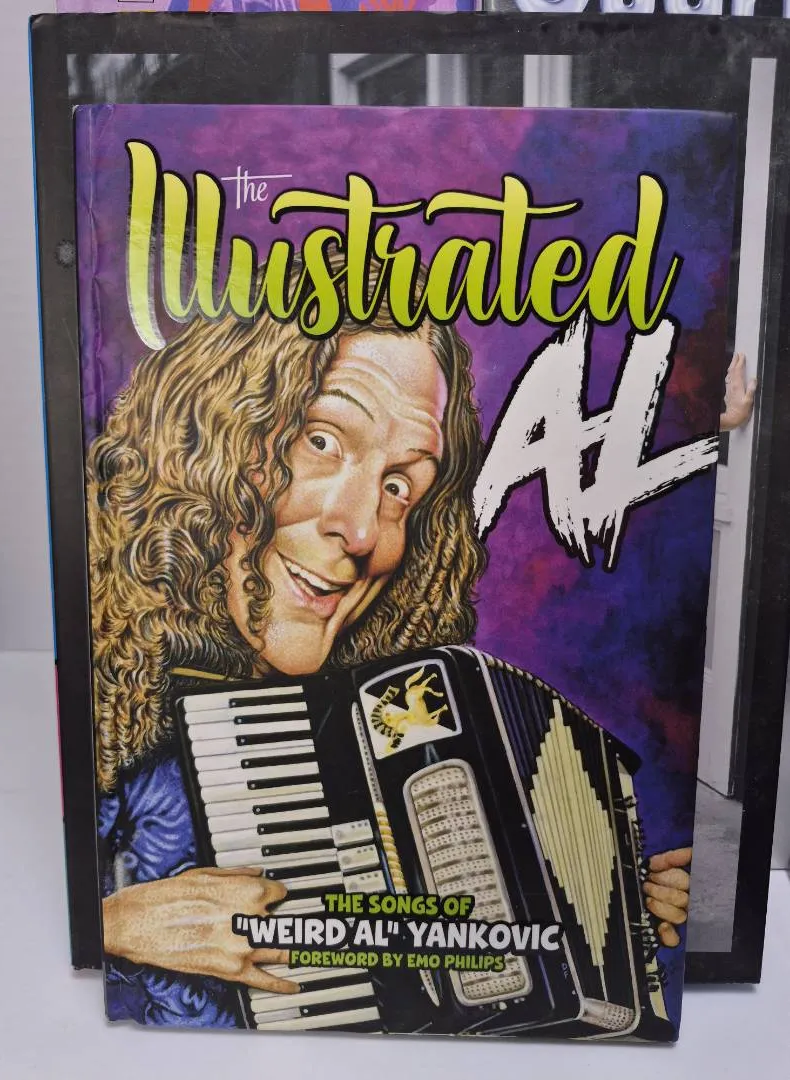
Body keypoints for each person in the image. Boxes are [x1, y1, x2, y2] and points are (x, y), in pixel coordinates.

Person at [90, 272, 731, 1024]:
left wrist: (616, 909)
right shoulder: (107, 685)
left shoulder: (378, 721)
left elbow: (441, 946)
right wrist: (114, 926)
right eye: (321, 441)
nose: (362, 530)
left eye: (400, 486)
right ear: (210, 442)